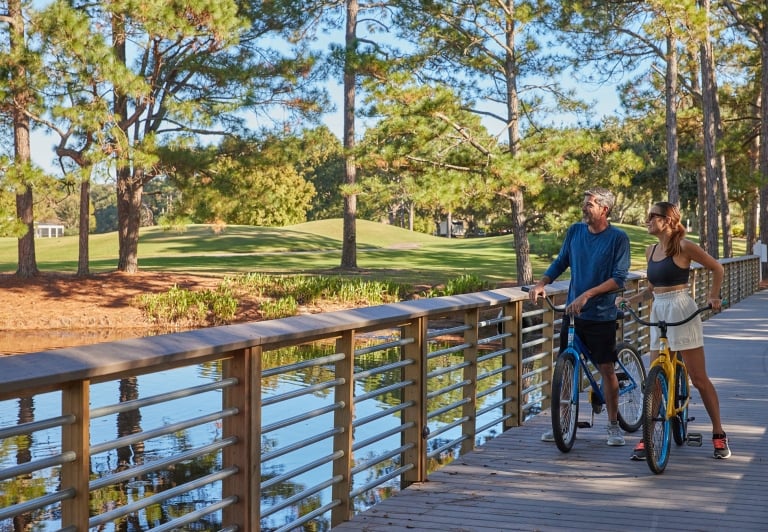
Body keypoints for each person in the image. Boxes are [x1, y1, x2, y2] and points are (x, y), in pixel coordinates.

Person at [616, 201, 731, 460]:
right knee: (655, 379)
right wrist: (630, 300)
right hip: (659, 310)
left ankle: (719, 433)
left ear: (667, 220)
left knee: (699, 378)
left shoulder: (684, 247)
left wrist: (713, 297)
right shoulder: (651, 251)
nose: (647, 220)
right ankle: (649, 436)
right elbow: (652, 289)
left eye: (651, 217)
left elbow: (718, 268)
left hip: (681, 308)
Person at [529, 187, 630, 446]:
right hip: (573, 315)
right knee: (566, 367)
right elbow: (561, 261)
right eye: (584, 203)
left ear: (604, 210)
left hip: (601, 315)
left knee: (606, 369)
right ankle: (562, 423)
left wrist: (587, 295)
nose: (585, 208)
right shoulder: (575, 231)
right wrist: (543, 282)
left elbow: (618, 279)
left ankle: (613, 426)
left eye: (590, 204)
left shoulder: (618, 238)